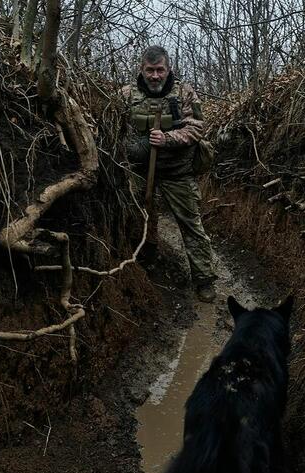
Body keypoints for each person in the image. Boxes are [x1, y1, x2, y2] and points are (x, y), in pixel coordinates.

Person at [121, 45, 217, 302]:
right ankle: (145, 263)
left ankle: (204, 279)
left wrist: (168, 138)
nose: (155, 76)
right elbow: (115, 131)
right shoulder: (126, 95)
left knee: (190, 223)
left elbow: (197, 128)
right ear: (141, 69)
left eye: (159, 70)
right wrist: (134, 147)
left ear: (168, 69)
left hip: (178, 171)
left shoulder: (184, 93)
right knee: (140, 216)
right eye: (150, 70)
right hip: (140, 172)